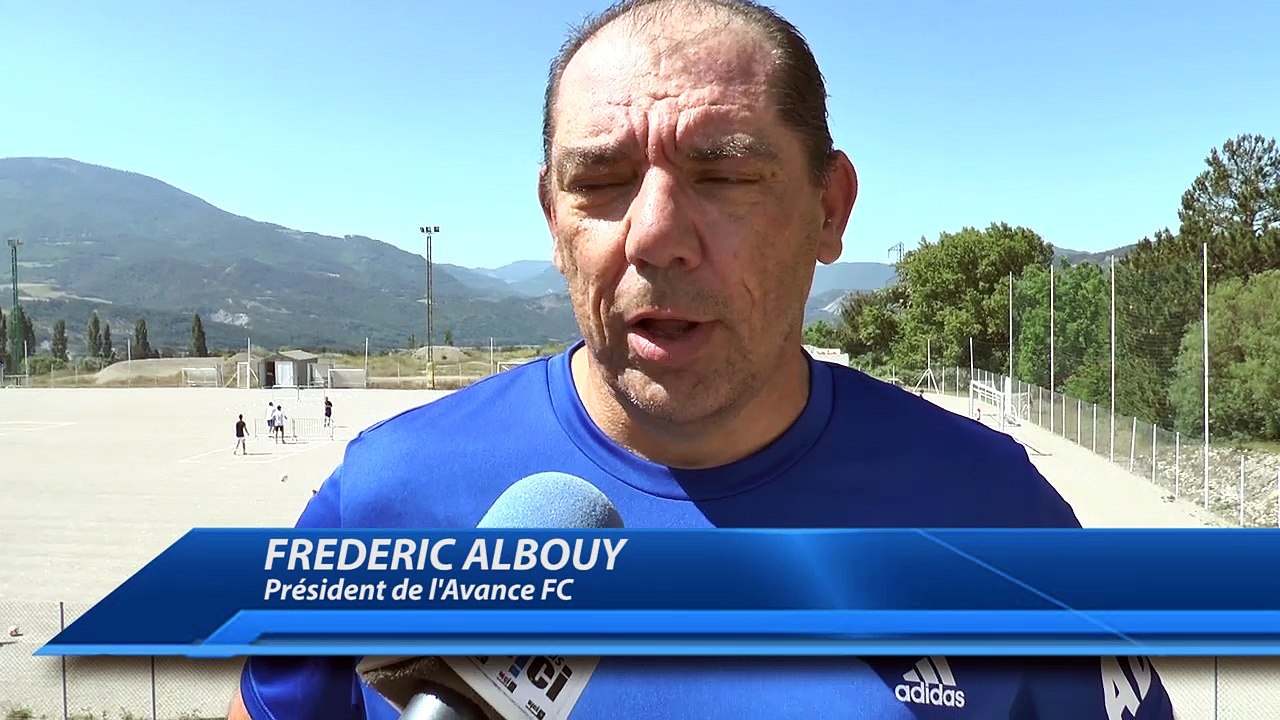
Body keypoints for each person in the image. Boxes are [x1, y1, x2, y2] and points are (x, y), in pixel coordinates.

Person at [230, 1, 1175, 717]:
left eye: (724, 176)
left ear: (829, 208)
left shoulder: (1002, 522)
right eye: (598, 182)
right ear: (553, 219)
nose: (655, 236)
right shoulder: (381, 502)